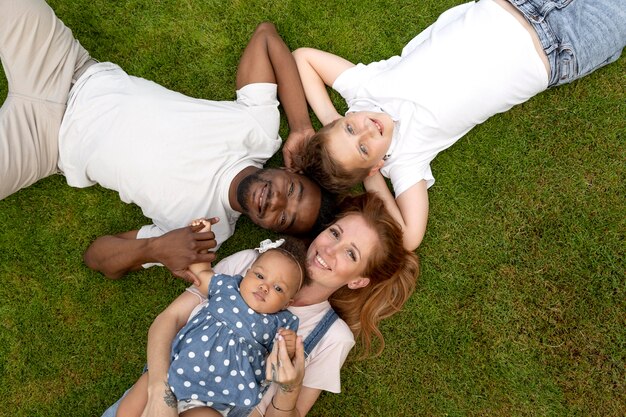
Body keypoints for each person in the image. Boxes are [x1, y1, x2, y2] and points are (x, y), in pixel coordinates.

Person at [0, 0, 333, 281]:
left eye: (284, 218)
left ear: (270, 229)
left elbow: (96, 256)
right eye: (293, 191)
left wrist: (154, 248)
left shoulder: (203, 235)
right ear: (293, 172)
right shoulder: (259, 130)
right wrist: (301, 127)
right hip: (69, 67)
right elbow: (265, 36)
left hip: (42, 143)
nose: (277, 201)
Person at [287, 0, 626, 252]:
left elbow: (303, 57)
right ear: (376, 164)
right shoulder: (406, 160)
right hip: (564, 48)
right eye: (363, 147)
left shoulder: (364, 90)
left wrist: (331, 119)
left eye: (349, 129)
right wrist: (372, 177)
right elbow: (408, 238)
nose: (366, 130)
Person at [102, 192, 419, 417]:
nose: (330, 251)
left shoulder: (331, 338)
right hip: (158, 391)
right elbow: (169, 319)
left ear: (358, 280)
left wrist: (289, 388)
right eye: (335, 233)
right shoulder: (248, 265)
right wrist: (160, 394)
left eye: (351, 254)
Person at [117, 229, 307, 417]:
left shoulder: (280, 323)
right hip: (173, 370)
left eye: (278, 288)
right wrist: (202, 239)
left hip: (213, 400)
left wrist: (288, 347)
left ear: (287, 303)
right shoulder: (228, 287)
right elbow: (201, 272)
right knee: (129, 408)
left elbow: (276, 364)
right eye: (259, 276)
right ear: (247, 273)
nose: (264, 287)